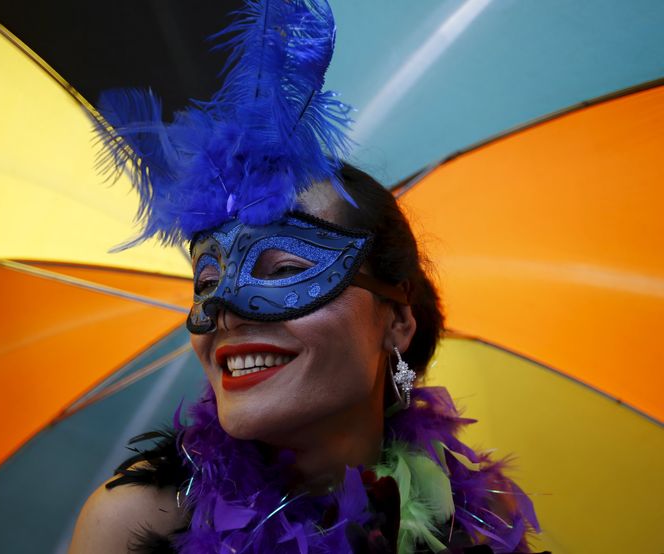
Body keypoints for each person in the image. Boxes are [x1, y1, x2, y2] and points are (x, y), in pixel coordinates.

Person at [69, 2, 541, 552]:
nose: (223, 308)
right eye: (205, 282)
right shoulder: (137, 525)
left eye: (288, 269)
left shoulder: (472, 521)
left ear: (399, 322)